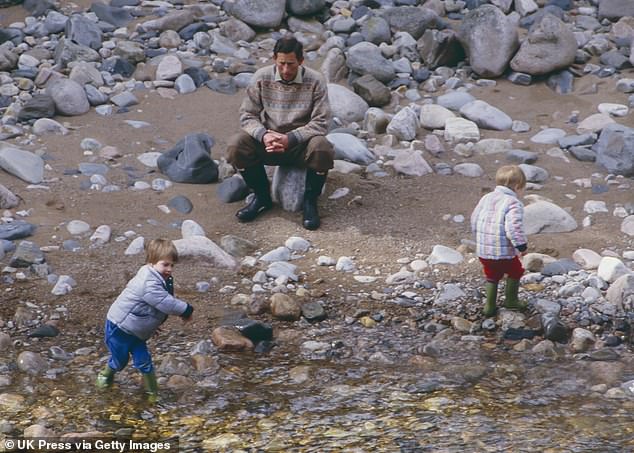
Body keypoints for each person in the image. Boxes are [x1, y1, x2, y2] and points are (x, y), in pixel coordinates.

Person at [226, 35, 334, 230]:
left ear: (301, 61)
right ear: (274, 58)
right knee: (236, 145)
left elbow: (321, 122)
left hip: (301, 145)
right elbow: (247, 115)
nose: (286, 70)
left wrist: (290, 138)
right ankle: (262, 197)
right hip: (268, 142)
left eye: (291, 64)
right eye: (282, 63)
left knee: (322, 147)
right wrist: (264, 135)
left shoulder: (316, 81)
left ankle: (310, 202)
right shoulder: (261, 77)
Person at [96, 238, 194, 402]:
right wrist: (186, 310)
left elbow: (152, 307)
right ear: (152, 262)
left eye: (172, 265)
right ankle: (106, 374)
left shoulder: (160, 277)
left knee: (144, 362)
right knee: (120, 361)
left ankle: (152, 394)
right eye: (165, 264)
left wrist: (150, 326)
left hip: (137, 330)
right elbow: (165, 303)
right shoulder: (147, 282)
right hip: (119, 327)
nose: (169, 269)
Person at [470, 165, 528, 317]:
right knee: (516, 271)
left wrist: (480, 237)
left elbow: (474, 219)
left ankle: (489, 306)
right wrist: (521, 245)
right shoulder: (513, 203)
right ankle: (511, 300)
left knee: (492, 274)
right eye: (522, 188)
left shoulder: (486, 198)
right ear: (517, 186)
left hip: (484, 252)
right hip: (503, 252)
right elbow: (513, 228)